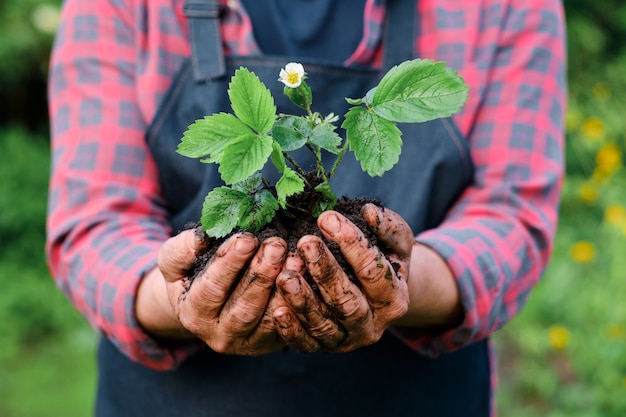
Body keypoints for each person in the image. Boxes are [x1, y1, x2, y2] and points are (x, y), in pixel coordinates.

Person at [46, 0, 566, 415]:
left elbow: (511, 212)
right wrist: (181, 294)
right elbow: (96, 222)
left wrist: (403, 278)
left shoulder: (507, 6)